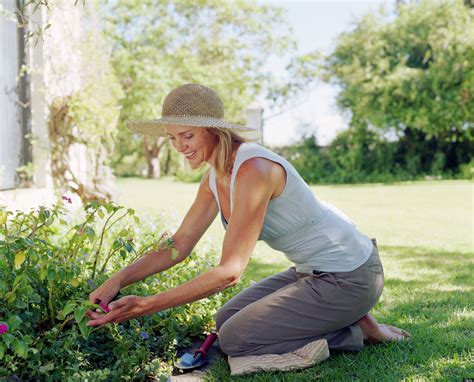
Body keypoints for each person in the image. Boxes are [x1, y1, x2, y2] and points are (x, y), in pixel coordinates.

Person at [86, 84, 410, 375]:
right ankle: (342, 316)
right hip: (311, 272)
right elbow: (179, 243)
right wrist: (117, 280)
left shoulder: (254, 168)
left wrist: (148, 303)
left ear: (213, 131)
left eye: (187, 136)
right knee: (225, 320)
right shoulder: (214, 177)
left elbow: (230, 271)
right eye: (173, 138)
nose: (180, 147)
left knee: (235, 338)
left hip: (350, 275)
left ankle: (355, 329)